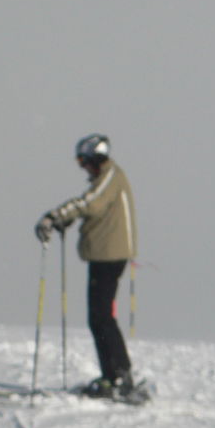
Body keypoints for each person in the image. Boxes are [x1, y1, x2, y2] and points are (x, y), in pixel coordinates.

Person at [35, 134, 139, 399]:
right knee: (99, 318)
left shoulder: (111, 176)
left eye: (84, 161)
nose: (82, 167)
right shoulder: (107, 177)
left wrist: (56, 216)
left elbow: (90, 203)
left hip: (109, 256)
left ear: (96, 159)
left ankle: (119, 376)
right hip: (103, 255)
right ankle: (112, 376)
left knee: (102, 317)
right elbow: (94, 208)